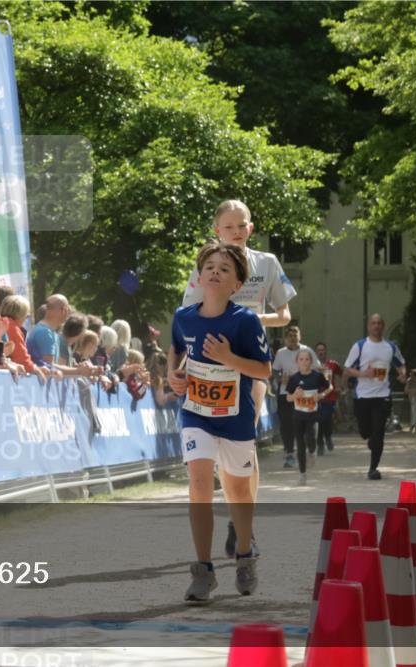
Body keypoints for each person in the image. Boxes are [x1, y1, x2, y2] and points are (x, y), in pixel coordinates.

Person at [181, 200, 296, 558]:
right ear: (217, 230)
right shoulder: (207, 265)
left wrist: (250, 319)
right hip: (210, 364)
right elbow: (188, 316)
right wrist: (179, 367)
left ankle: (242, 523)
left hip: (249, 361)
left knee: (246, 436)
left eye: (241, 225)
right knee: (213, 446)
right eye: (228, 226)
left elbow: (285, 315)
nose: (235, 232)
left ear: (250, 228)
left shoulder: (267, 263)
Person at [168, 240, 272, 604]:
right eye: (209, 267)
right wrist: (173, 375)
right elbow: (177, 349)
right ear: (199, 277)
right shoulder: (184, 317)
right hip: (196, 413)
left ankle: (244, 556)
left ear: (237, 284)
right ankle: (203, 571)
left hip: (235, 418)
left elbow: (264, 370)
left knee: (238, 493)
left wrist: (228, 358)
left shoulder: (245, 321)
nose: (215, 272)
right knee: (199, 485)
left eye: (224, 269)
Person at [343, 313, 407, 480]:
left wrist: (402, 374)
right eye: (373, 323)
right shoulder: (360, 346)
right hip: (362, 396)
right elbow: (347, 368)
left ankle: (373, 468)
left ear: (383, 326)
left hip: (383, 395)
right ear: (368, 326)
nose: (376, 326)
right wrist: (363, 373)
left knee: (378, 431)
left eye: (379, 323)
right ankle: (370, 438)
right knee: (366, 432)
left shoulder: (390, 347)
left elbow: (401, 364)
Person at [271, 326, 320, 468]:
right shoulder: (281, 353)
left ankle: (309, 449)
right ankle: (289, 453)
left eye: (295, 335)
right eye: (290, 336)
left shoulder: (307, 351)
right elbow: (274, 371)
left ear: (300, 336)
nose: (293, 338)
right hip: (286, 393)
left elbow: (317, 368)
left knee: (306, 425)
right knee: (287, 425)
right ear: (285, 338)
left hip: (305, 394)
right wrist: (280, 379)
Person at [285, 350, 331, 486]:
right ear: (297, 362)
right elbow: (288, 398)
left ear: (311, 361)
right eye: (301, 359)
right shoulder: (294, 378)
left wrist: (321, 395)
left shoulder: (317, 376)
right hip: (298, 415)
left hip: (313, 415)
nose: (304, 362)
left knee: (311, 439)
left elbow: (330, 387)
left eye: (307, 359)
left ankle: (312, 451)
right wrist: (295, 396)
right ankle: (302, 474)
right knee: (300, 444)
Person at [0, 295, 50, 381]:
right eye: (27, 315)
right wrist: (36, 370)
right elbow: (21, 359)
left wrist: (35, 367)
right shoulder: (13, 328)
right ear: (20, 314)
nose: (26, 318)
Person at [314, 342, 342, 454]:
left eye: (322, 350)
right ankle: (320, 444)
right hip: (316, 397)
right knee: (318, 420)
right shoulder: (312, 365)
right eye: (318, 350)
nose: (321, 352)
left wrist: (338, 386)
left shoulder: (333, 364)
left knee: (326, 418)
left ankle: (328, 436)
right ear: (316, 352)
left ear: (325, 351)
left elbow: (341, 373)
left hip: (330, 396)